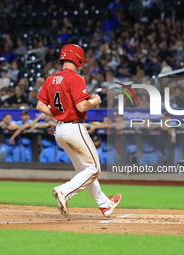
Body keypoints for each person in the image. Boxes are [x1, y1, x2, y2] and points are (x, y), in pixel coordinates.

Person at [36, 44, 122, 217]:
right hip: (74, 128)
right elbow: (82, 105)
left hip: (59, 130)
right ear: (78, 59)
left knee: (85, 170)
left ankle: (105, 205)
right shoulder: (75, 78)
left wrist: (59, 113)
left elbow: (40, 105)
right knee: (95, 169)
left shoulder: (50, 79)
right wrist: (95, 101)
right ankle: (64, 191)